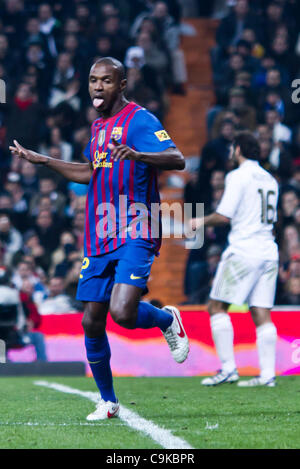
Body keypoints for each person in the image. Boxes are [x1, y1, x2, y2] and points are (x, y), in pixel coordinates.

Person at [9, 56, 189, 420]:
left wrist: (138, 154)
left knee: (122, 313)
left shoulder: (139, 120)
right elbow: (91, 172)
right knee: (91, 321)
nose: (97, 87)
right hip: (99, 233)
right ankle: (108, 401)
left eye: (106, 81)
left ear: (121, 84)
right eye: (93, 80)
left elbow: (177, 158)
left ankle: (166, 321)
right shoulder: (98, 127)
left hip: (136, 227)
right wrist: (43, 160)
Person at [190, 131, 279, 387]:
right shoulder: (270, 179)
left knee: (216, 307)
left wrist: (200, 220)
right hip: (268, 251)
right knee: (261, 311)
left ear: (238, 149)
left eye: (232, 148)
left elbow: (224, 216)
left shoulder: (238, 176)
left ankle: (228, 369)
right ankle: (267, 375)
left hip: (244, 249)